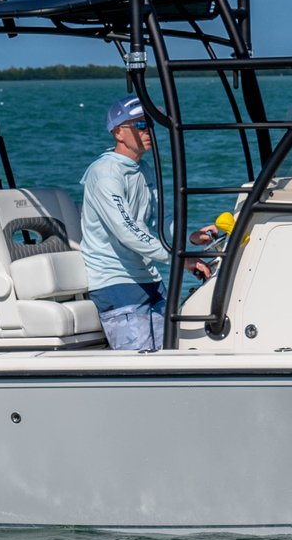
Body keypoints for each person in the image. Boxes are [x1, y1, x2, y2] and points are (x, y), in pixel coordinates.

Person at [80, 96, 211, 351]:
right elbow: (127, 231)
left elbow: (163, 219)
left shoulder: (144, 169)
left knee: (171, 354)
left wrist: (190, 240)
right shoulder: (105, 173)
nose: (148, 131)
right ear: (118, 132)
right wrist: (180, 259)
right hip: (115, 282)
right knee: (141, 365)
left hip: (148, 278)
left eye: (149, 124)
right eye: (140, 125)